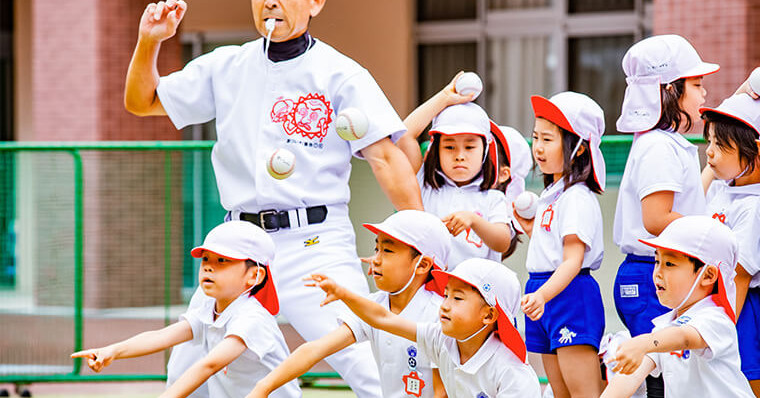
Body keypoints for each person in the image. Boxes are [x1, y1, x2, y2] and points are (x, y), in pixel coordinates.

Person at [124, 1, 424, 396]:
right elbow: (141, 102)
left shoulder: (340, 73)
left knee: (365, 359)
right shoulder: (226, 66)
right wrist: (149, 42)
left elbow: (388, 158)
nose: (270, 2)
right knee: (188, 364)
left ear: (315, 3)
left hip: (315, 243)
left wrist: (422, 238)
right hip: (240, 245)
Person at [70, 222, 301, 398]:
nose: (209, 266)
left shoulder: (252, 318)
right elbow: (163, 336)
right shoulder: (211, 308)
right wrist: (113, 351)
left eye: (223, 261)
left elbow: (209, 365)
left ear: (255, 275)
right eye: (206, 259)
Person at [612, 34, 719, 398]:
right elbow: (657, 218)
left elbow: (682, 207)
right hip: (653, 274)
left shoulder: (661, 141)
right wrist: (713, 241)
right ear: (670, 91)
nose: (704, 95)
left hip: (652, 271)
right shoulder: (659, 145)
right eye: (697, 85)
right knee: (661, 372)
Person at [247, 210, 450, 398]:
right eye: (376, 248)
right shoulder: (375, 304)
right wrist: (263, 387)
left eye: (387, 251)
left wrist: (343, 294)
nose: (376, 260)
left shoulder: (440, 314)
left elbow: (442, 392)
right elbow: (315, 350)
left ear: (422, 265)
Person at [306, 258, 541, 397]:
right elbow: (383, 319)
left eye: (457, 299)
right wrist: (343, 294)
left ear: (489, 315)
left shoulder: (511, 372)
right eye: (446, 294)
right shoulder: (441, 339)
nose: (444, 306)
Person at [512, 91, 606, 398]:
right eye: (536, 137)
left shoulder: (577, 196)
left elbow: (572, 260)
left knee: (582, 394)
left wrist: (541, 295)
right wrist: (533, 230)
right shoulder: (555, 193)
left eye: (548, 139)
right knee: (559, 393)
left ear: (579, 148)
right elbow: (554, 250)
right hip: (545, 292)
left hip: (569, 295)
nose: (537, 147)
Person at [601, 216, 754, 398]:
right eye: (657, 261)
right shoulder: (665, 326)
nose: (658, 272)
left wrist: (644, 343)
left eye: (670, 264)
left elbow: (685, 337)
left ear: (708, 275)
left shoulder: (715, 318)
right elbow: (630, 377)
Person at [397, 73, 514, 268]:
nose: (460, 155)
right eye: (449, 147)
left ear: (484, 151)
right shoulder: (424, 186)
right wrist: (444, 97)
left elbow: (502, 242)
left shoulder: (493, 198)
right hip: (429, 292)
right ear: (436, 150)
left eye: (469, 147)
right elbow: (403, 136)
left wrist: (473, 221)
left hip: (474, 295)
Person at [700, 93, 760, 396]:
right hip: (719, 302)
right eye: (709, 142)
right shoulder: (724, 189)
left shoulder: (754, 206)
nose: (709, 154)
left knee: (746, 381)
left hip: (742, 306)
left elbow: (740, 275)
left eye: (721, 146)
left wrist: (719, 328)